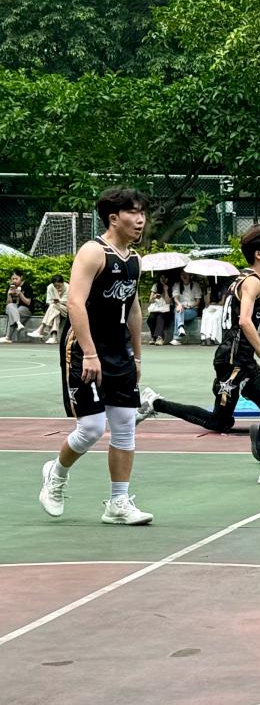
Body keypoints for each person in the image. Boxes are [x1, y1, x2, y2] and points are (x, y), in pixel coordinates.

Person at [137, 225, 260, 484]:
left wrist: (259, 347)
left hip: (236, 357)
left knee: (243, 414)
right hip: (235, 361)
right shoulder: (253, 282)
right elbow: (244, 321)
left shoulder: (242, 278)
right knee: (246, 413)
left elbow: (238, 325)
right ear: (259, 255)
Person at [39, 187, 152, 524]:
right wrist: (89, 353)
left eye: (143, 212)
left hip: (119, 351)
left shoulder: (134, 260)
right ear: (114, 218)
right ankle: (56, 474)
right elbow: (75, 302)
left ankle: (118, 503)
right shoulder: (93, 252)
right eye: (133, 212)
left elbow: (133, 308)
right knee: (90, 428)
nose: (141, 219)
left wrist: (137, 356)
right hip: (85, 347)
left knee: (125, 425)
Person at [27, 274, 68, 344]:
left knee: (54, 306)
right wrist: (55, 302)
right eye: (55, 286)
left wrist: (58, 301)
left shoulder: (68, 288)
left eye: (59, 286)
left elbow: (67, 302)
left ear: (62, 283)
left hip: (66, 309)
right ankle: (53, 337)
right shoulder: (50, 287)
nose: (57, 288)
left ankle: (41, 328)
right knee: (55, 312)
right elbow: (48, 301)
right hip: (55, 309)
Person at [0, 269, 33, 343]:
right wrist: (9, 294)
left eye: (16, 278)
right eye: (13, 279)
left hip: (26, 309)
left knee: (14, 313)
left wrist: (20, 294)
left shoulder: (26, 286)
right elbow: (9, 303)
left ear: (21, 277)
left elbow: (28, 303)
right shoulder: (10, 287)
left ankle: (8, 337)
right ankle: (18, 323)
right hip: (14, 308)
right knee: (10, 307)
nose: (14, 281)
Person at [170, 270, 202, 345]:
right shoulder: (177, 285)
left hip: (192, 309)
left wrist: (190, 306)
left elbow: (198, 301)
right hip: (180, 307)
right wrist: (180, 304)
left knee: (178, 312)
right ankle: (180, 328)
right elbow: (175, 298)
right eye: (182, 274)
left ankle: (177, 337)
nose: (184, 276)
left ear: (190, 275)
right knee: (178, 309)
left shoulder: (195, 285)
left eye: (186, 274)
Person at [145, 272, 174, 345]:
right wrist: (154, 297)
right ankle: (154, 337)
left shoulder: (170, 287)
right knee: (150, 319)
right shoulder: (156, 285)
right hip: (157, 309)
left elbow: (168, 301)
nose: (163, 280)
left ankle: (160, 337)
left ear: (167, 279)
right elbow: (150, 300)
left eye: (164, 278)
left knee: (160, 317)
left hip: (167, 311)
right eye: (161, 278)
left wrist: (165, 290)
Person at [199, 278, 228, 345]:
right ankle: (203, 337)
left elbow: (222, 302)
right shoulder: (207, 288)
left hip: (219, 307)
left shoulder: (223, 288)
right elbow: (207, 303)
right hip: (210, 307)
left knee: (214, 317)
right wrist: (208, 293)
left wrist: (214, 304)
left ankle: (212, 338)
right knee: (205, 314)